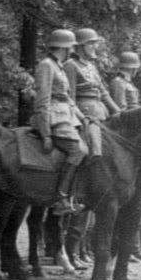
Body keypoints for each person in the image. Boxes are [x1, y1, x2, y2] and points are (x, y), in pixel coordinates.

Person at [64, 28, 122, 263]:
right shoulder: (71, 65)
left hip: (101, 116)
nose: (94, 48)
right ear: (79, 46)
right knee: (92, 152)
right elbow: (69, 96)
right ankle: (77, 191)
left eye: (94, 44)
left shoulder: (92, 67)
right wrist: (82, 117)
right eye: (90, 44)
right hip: (82, 117)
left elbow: (104, 94)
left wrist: (120, 112)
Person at [32, 29, 88, 216]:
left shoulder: (59, 66)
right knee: (79, 150)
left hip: (67, 116)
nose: (70, 51)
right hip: (55, 118)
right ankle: (60, 198)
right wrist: (45, 132)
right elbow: (43, 100)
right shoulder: (46, 65)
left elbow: (68, 99)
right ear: (64, 48)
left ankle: (74, 195)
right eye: (69, 48)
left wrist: (83, 117)